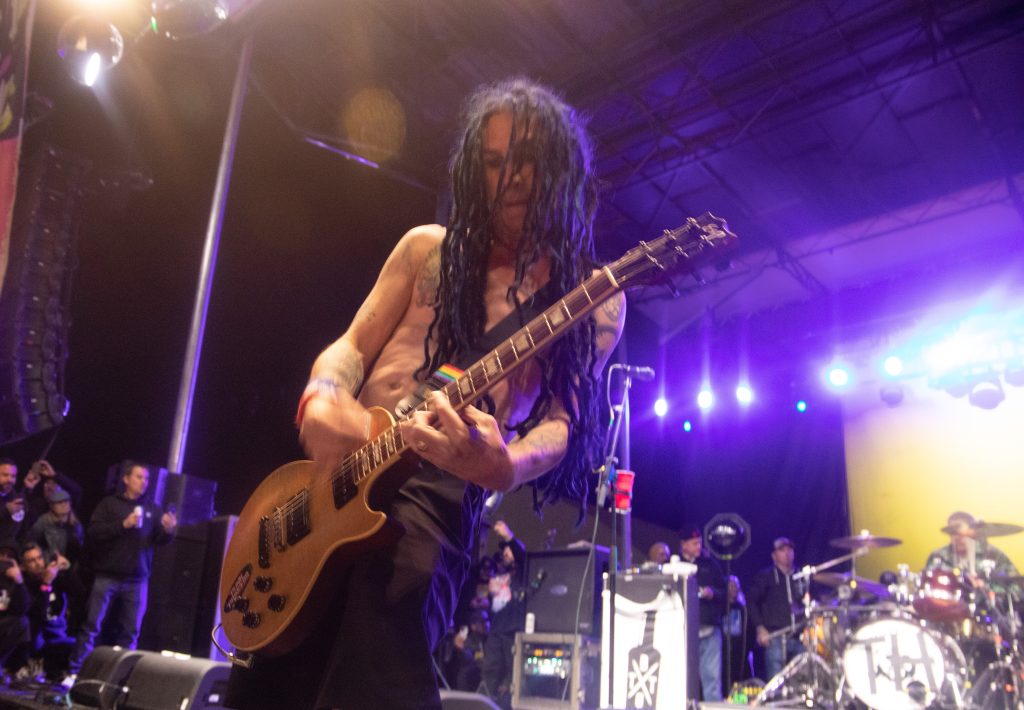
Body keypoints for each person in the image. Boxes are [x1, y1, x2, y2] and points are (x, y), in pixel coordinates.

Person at [224, 77, 625, 710]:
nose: (512, 178)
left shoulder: (590, 300)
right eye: (494, 162)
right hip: (337, 473)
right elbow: (352, 345)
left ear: (562, 169)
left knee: (381, 641)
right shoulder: (425, 247)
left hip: (438, 489)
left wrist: (507, 465)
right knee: (276, 674)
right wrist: (323, 394)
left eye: (528, 160)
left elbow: (564, 423)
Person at [68, 462, 177, 674]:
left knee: (130, 632)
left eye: (146, 478)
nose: (143, 482)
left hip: (137, 579)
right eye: (139, 477)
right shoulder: (109, 504)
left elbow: (159, 540)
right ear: (126, 479)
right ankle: (75, 671)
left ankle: (119, 677)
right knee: (91, 626)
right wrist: (122, 525)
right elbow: (94, 532)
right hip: (107, 576)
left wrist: (168, 531)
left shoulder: (152, 508)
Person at [678, 525, 727, 702]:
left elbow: (724, 592)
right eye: (694, 543)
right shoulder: (674, 565)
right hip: (683, 631)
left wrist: (712, 592)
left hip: (709, 629)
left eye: (700, 543)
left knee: (712, 679)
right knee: (681, 677)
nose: (699, 547)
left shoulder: (710, 564)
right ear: (684, 545)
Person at [480, 520, 525, 709]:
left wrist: (508, 536)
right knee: (490, 669)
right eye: (504, 550)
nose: (505, 552)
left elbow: (521, 555)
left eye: (509, 550)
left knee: (513, 672)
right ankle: (486, 704)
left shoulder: (522, 573)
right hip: (496, 629)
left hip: (512, 631)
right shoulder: (500, 574)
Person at [748, 537, 806, 680]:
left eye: (789, 549)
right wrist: (760, 628)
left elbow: (810, 601)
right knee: (777, 680)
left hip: (800, 636)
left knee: (802, 678)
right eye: (782, 550)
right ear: (774, 556)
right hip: (776, 637)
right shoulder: (766, 576)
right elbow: (751, 602)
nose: (787, 553)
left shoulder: (801, 575)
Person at [20, 542, 80, 681]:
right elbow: (37, 614)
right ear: (23, 566)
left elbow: (79, 593)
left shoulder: (55, 578)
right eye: (31, 561)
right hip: (36, 637)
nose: (38, 564)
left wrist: (67, 569)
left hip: (58, 633)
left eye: (39, 558)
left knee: (79, 644)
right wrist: (46, 584)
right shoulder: (23, 586)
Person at [0, 538, 29, 684]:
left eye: (9, 556)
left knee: (22, 623)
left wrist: (19, 582)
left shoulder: (14, 581)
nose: (4, 559)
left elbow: (22, 609)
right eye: (1, 554)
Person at [0, 459, 25, 543]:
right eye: (5, 475)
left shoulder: (16, 497)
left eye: (13, 476)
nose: (10, 480)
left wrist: (27, 489)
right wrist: (5, 510)